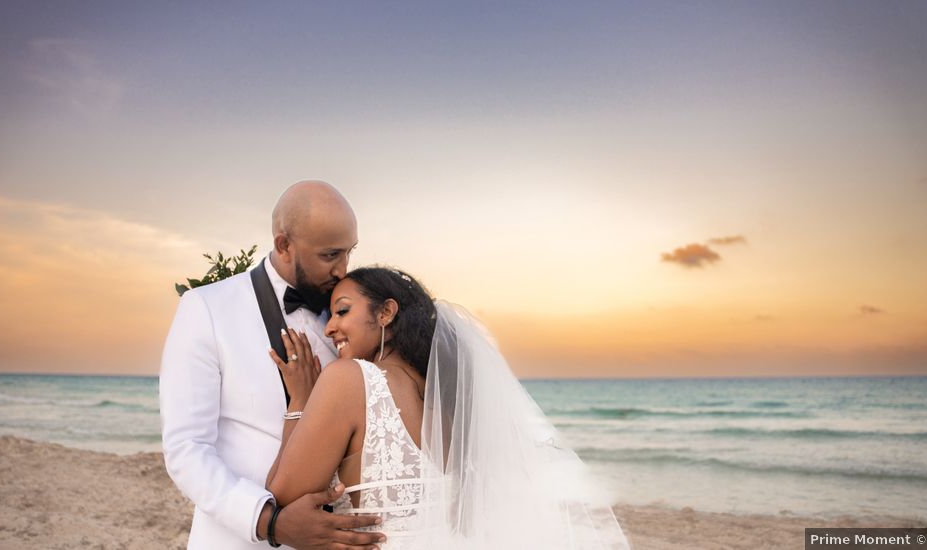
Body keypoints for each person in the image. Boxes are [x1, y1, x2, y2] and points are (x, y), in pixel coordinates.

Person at [266, 266, 632, 549]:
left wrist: (299, 401)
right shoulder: (452, 400)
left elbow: (281, 498)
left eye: (341, 311)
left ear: (385, 314)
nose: (329, 328)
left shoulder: (347, 379)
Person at [159, 181, 387, 549]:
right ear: (283, 245)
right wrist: (270, 522)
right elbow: (187, 449)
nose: (343, 270)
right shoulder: (206, 309)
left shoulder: (354, 313)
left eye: (349, 253)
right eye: (330, 255)